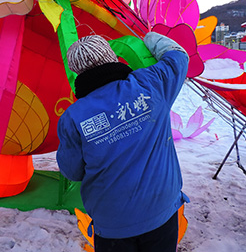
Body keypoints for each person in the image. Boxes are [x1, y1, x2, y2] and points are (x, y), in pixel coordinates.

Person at [57, 33, 189, 252]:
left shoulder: (72, 117)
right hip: (162, 210)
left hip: (111, 224)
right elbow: (179, 57)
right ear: (111, 56)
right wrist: (150, 37)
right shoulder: (152, 84)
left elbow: (72, 171)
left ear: (77, 71)